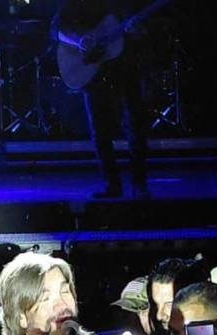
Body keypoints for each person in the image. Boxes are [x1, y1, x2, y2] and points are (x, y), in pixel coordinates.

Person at [54, 0, 150, 200]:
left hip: (126, 67)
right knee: (100, 129)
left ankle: (139, 183)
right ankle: (112, 184)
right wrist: (80, 40)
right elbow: (58, 29)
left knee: (136, 124)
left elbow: (144, 32)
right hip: (94, 72)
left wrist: (138, 31)